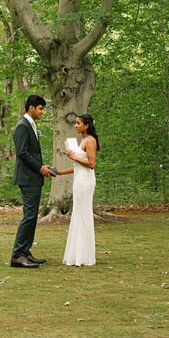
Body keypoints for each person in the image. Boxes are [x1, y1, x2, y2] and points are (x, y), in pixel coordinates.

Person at [10, 94, 55, 268]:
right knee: (29, 216)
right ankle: (17, 255)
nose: (42, 112)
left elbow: (31, 152)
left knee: (32, 216)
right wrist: (40, 168)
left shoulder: (30, 124)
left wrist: (42, 166)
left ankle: (25, 252)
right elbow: (22, 152)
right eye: (41, 108)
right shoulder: (22, 125)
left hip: (33, 177)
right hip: (27, 178)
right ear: (31, 108)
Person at [58, 113, 98, 266]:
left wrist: (73, 157)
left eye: (78, 123)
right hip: (79, 179)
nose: (75, 125)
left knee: (83, 214)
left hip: (86, 181)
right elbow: (78, 166)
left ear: (86, 126)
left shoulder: (90, 141)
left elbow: (91, 164)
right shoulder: (82, 140)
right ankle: (78, 254)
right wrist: (60, 172)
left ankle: (85, 256)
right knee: (78, 214)